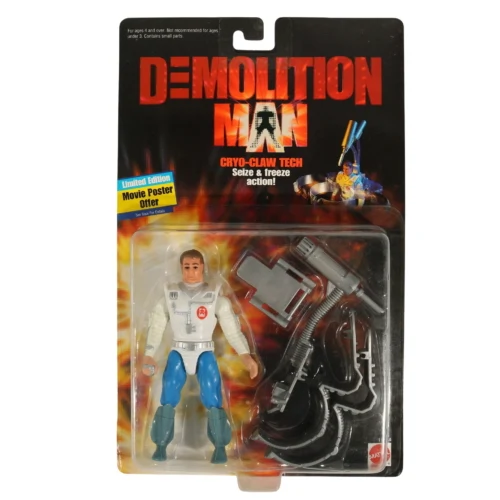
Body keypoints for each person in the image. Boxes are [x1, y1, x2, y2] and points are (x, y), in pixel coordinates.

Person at [142, 249, 259, 463]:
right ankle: (160, 445)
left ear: (203, 267)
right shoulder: (169, 296)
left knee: (213, 397)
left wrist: (245, 355)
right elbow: (156, 326)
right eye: (186, 267)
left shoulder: (216, 297)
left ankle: (220, 447)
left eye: (195, 266)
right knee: (168, 395)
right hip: (178, 350)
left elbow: (233, 331)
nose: (191, 271)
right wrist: (149, 354)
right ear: (181, 268)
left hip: (204, 351)